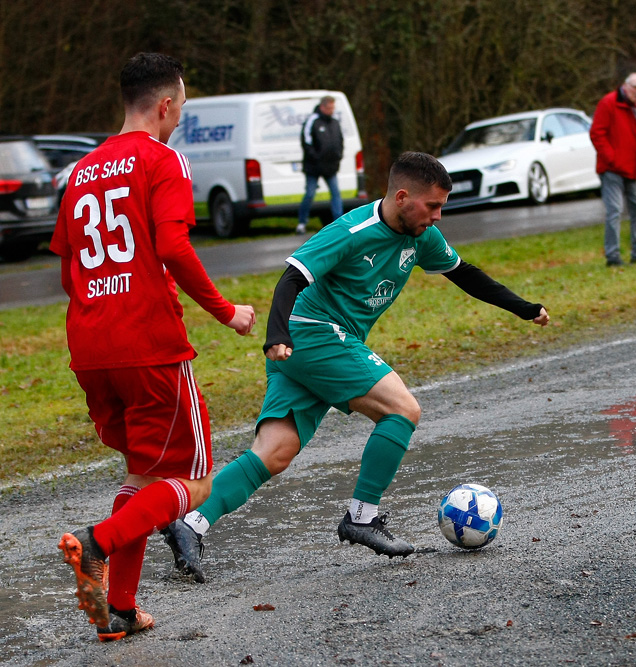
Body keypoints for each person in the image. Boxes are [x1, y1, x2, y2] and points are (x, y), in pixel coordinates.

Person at [161, 151, 550, 581]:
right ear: (403, 197)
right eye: (433, 206)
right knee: (402, 409)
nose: (438, 216)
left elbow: (465, 273)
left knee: (274, 452)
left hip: (313, 345)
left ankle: (189, 523)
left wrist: (524, 308)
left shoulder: (422, 236)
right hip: (311, 335)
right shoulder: (352, 230)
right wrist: (277, 335)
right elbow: (292, 276)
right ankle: (361, 517)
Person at [50, 53, 256, 640]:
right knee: (192, 483)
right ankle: (96, 542)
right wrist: (225, 311)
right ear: (165, 104)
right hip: (149, 345)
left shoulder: (82, 171)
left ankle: (119, 609)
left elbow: (69, 270)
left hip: (91, 348)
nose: (180, 120)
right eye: (181, 109)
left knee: (141, 476)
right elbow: (172, 246)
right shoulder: (162, 159)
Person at [590, 73, 636, 266]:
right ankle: (613, 256)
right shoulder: (608, 103)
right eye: (635, 87)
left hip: (634, 168)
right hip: (612, 169)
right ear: (625, 85)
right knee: (615, 211)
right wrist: (612, 158)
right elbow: (597, 133)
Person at [296, 95, 344, 234]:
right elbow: (306, 141)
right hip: (314, 166)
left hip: (331, 166)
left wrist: (338, 156)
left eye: (333, 108)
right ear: (322, 107)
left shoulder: (335, 122)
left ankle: (340, 224)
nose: (331, 111)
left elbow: (339, 141)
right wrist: (315, 157)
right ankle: (302, 222)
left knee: (336, 193)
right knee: (310, 193)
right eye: (329, 108)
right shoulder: (313, 121)